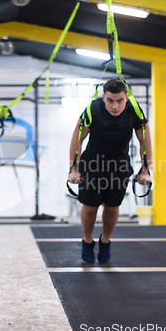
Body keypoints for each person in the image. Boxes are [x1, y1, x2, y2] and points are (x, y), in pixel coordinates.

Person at [67, 78, 152, 263]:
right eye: (110, 100)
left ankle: (105, 241)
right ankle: (87, 241)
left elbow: (145, 139)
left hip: (119, 164)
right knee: (90, 207)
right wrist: (74, 168)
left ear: (126, 97)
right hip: (92, 164)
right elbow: (77, 137)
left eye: (120, 100)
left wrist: (145, 169)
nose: (115, 106)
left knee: (113, 207)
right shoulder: (93, 108)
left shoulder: (134, 109)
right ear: (103, 97)